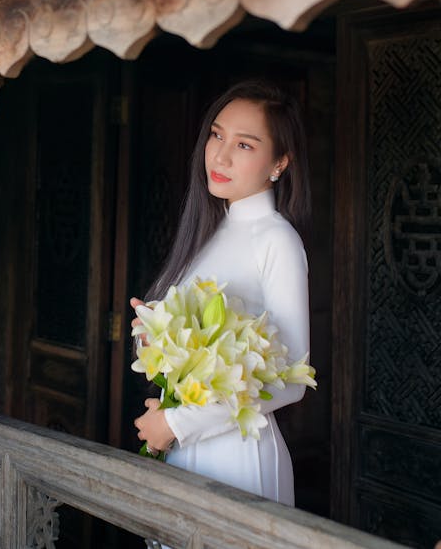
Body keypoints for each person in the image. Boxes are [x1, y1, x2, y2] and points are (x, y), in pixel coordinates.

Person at [132, 79, 313, 507]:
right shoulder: (208, 233)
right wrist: (154, 335)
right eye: (217, 135)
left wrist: (179, 424)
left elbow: (291, 380)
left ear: (280, 163)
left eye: (245, 145)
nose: (222, 154)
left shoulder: (277, 241)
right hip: (183, 451)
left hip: (237, 458)